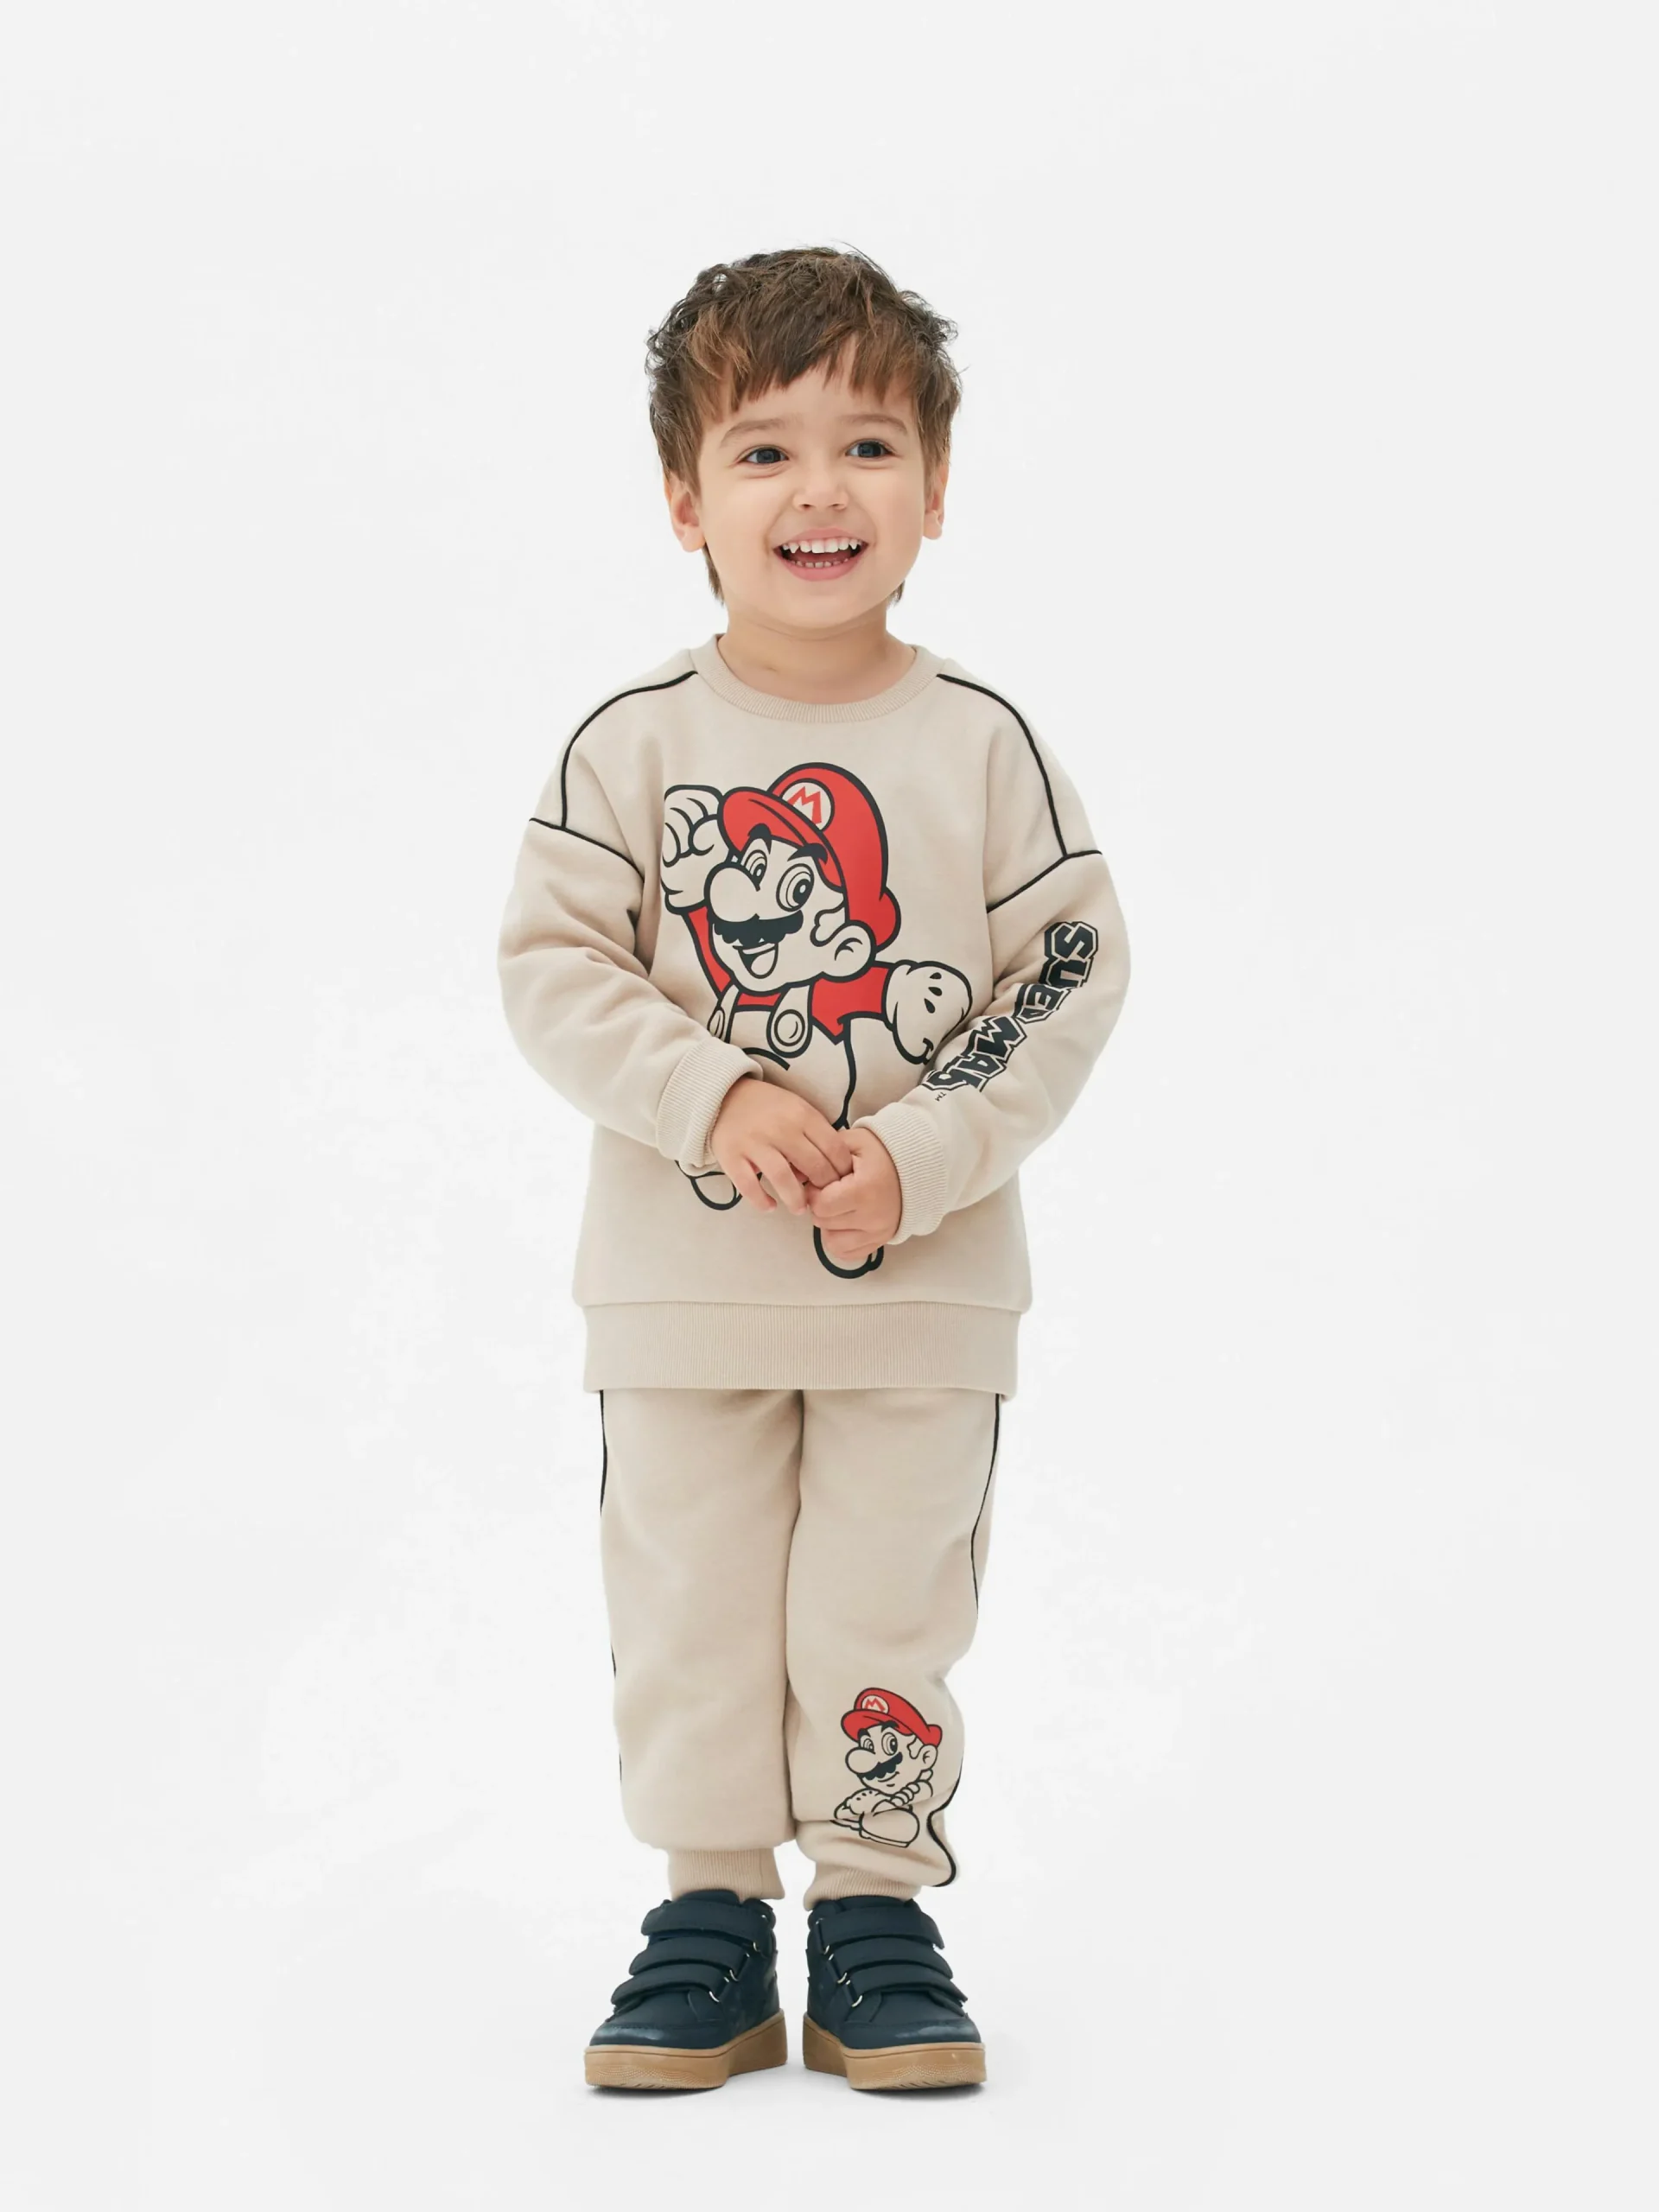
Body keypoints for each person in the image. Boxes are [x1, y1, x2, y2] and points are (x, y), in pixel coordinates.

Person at [496, 244, 1132, 2092]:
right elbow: (553, 968)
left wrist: (924, 1147)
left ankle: (872, 1911)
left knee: (886, 1606)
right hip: (681, 1296)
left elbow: (1068, 968)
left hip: (921, 1299)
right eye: (763, 450)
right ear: (683, 497)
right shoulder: (631, 746)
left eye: (868, 443)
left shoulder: (984, 745)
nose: (820, 489)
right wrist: (713, 1096)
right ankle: (706, 1914)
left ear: (935, 488)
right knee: (688, 1608)